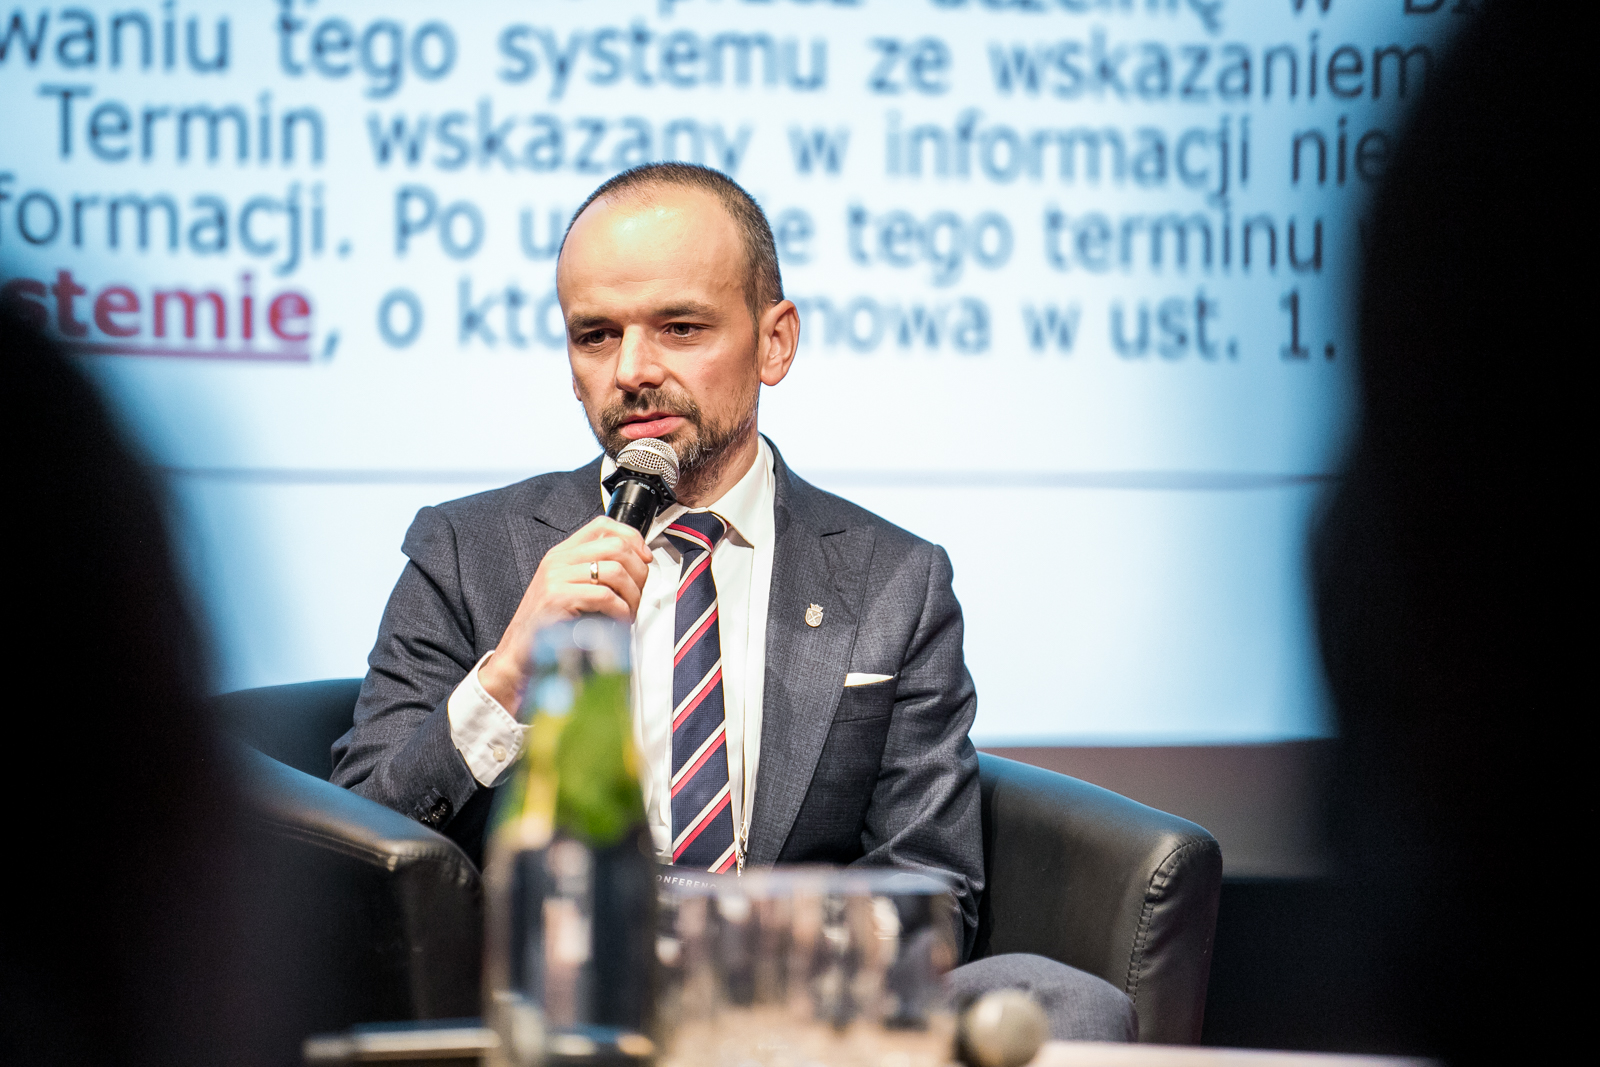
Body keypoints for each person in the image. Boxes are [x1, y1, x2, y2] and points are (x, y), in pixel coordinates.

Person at [331, 162, 1135, 1040]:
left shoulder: (894, 580)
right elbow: (361, 841)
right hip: (560, 1008)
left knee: (1073, 1003)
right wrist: (507, 675)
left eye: (679, 328)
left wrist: (738, 960)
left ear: (775, 342)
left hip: (797, 1005)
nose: (633, 370)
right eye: (596, 335)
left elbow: (931, 886)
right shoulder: (469, 551)